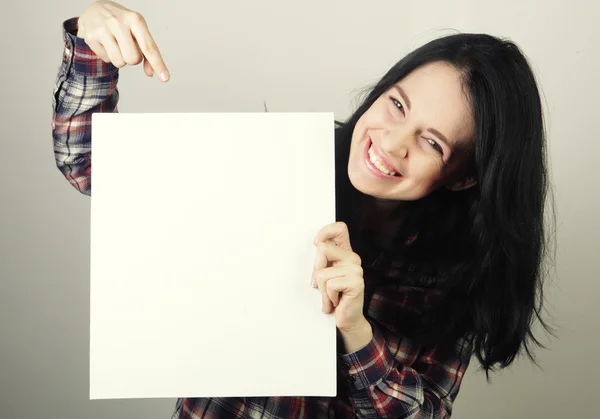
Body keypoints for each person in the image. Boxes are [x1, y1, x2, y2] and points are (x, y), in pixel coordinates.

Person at [52, 1, 553, 418]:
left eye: (432, 142)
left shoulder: (457, 276)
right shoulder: (279, 164)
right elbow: (92, 168)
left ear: (463, 175)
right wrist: (94, 42)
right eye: (397, 105)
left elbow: (424, 411)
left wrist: (357, 331)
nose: (392, 142)